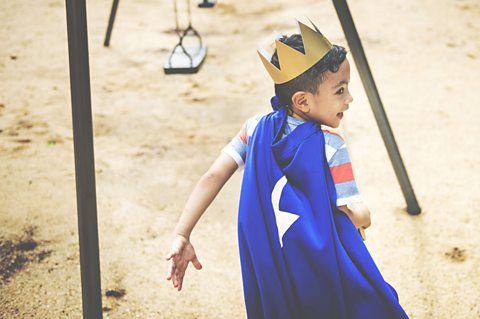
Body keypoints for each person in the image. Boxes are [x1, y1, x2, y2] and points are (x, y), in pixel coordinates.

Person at [166, 19, 409, 319]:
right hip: (323, 267)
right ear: (302, 101)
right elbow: (352, 211)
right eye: (341, 91)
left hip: (269, 261)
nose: (349, 99)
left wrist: (182, 233)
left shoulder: (254, 130)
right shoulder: (330, 146)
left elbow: (213, 175)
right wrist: (365, 217)